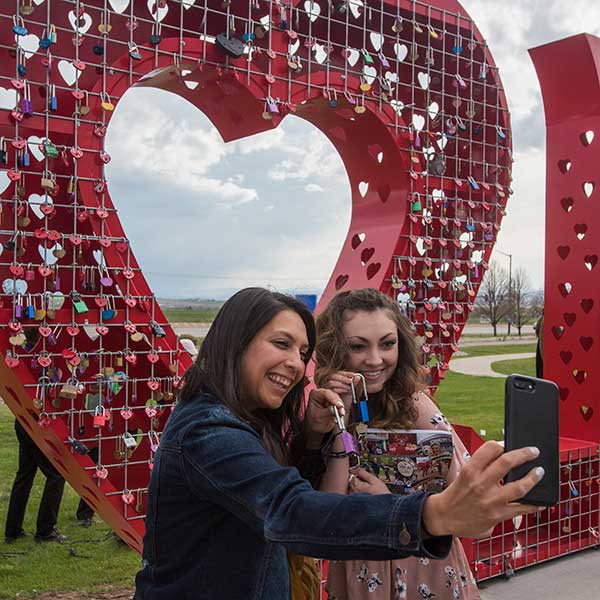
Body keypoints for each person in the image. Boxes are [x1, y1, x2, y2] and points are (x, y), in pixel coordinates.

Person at [134, 287, 544, 600]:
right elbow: (291, 508)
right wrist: (429, 515)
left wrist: (311, 435)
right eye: (281, 344)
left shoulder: (244, 418)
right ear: (234, 343)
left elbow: (281, 494)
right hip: (362, 564)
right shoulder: (211, 431)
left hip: (415, 569)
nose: (295, 362)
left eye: (302, 351)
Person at [315, 288, 485, 599]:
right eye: (357, 346)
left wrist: (392, 506)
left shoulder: (416, 407)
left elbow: (477, 514)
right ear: (335, 348)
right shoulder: (325, 411)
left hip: (419, 572)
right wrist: (341, 417)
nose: (375, 359)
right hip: (361, 575)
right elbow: (328, 514)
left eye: (387, 344)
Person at [4, 419, 66, 544]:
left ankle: (13, 530)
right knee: (56, 476)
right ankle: (45, 531)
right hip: (38, 423)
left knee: (24, 476)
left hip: (23, 421)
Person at [534, 311, 544, 378]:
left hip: (541, 343)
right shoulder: (544, 319)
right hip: (544, 345)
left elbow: (537, 331)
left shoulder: (541, 319)